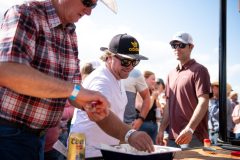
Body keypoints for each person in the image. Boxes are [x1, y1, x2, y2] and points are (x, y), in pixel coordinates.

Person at [0, 1, 153, 160]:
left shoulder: (70, 34)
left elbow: (77, 97)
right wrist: (76, 91)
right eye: (87, 2)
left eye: (93, 6)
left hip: (39, 139)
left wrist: (126, 133)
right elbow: (7, 71)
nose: (89, 12)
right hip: (8, 134)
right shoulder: (27, 13)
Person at [70, 33, 153, 158]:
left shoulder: (116, 76)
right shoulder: (101, 81)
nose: (130, 66)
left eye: (134, 61)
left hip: (98, 149)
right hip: (87, 152)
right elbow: (99, 114)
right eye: (125, 61)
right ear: (109, 57)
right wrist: (129, 135)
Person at [156, 32, 211, 149]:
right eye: (174, 45)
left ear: (191, 47)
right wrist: (161, 130)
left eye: (181, 45)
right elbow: (168, 105)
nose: (177, 48)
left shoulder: (200, 70)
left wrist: (190, 128)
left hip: (193, 135)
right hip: (173, 137)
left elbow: (204, 102)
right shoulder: (171, 74)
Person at [136, 70, 159, 144]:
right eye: (153, 79)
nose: (155, 81)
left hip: (154, 125)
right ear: (145, 79)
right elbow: (141, 108)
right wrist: (153, 98)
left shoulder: (152, 93)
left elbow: (158, 108)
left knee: (153, 150)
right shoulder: (139, 91)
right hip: (143, 125)